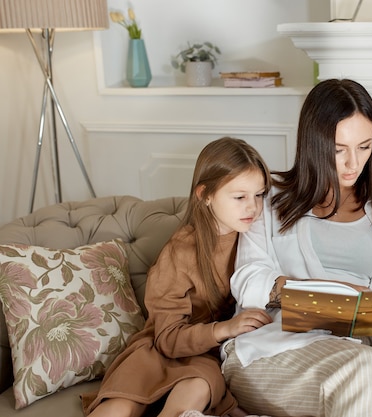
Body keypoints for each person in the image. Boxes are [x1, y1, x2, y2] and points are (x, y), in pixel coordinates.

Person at [220, 79, 372, 417]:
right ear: (313, 143)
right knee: (367, 368)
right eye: (338, 149)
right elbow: (247, 278)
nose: (352, 164)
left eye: (364, 146)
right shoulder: (271, 196)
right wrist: (323, 297)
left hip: (349, 354)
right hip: (268, 351)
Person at [82, 137, 273, 417]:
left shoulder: (256, 237)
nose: (253, 208)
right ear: (205, 195)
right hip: (160, 347)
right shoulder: (181, 250)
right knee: (120, 408)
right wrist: (225, 329)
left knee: (196, 388)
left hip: (204, 358)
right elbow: (167, 338)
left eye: (259, 195)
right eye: (240, 197)